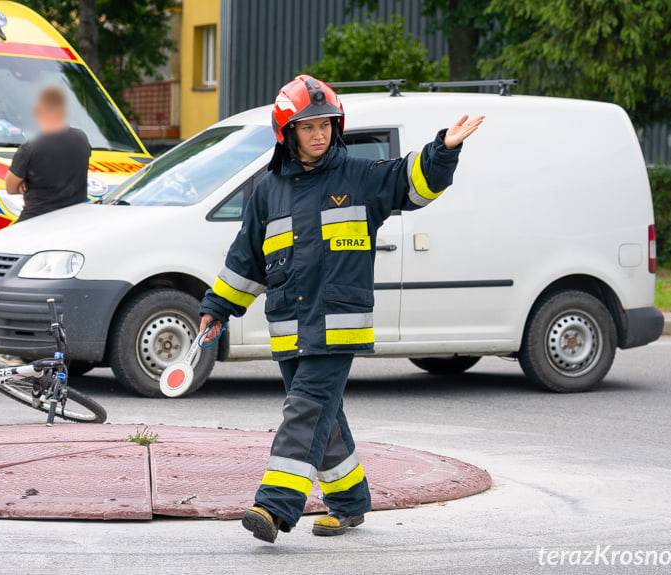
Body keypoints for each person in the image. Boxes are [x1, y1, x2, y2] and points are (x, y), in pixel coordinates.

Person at [198, 75, 484, 543]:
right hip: (289, 326)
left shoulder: (360, 177)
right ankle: (350, 503)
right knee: (324, 418)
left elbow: (412, 181)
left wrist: (443, 150)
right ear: (287, 133)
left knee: (305, 411)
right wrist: (217, 308)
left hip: (338, 326)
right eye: (308, 127)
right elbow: (245, 258)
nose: (319, 134)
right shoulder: (267, 191)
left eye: (326, 124)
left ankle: (275, 507)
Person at [5, 86, 91, 222]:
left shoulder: (30, 148)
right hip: (74, 219)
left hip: (36, 220)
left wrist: (24, 183)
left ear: (37, 111)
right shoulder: (82, 138)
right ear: (64, 111)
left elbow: (10, 187)